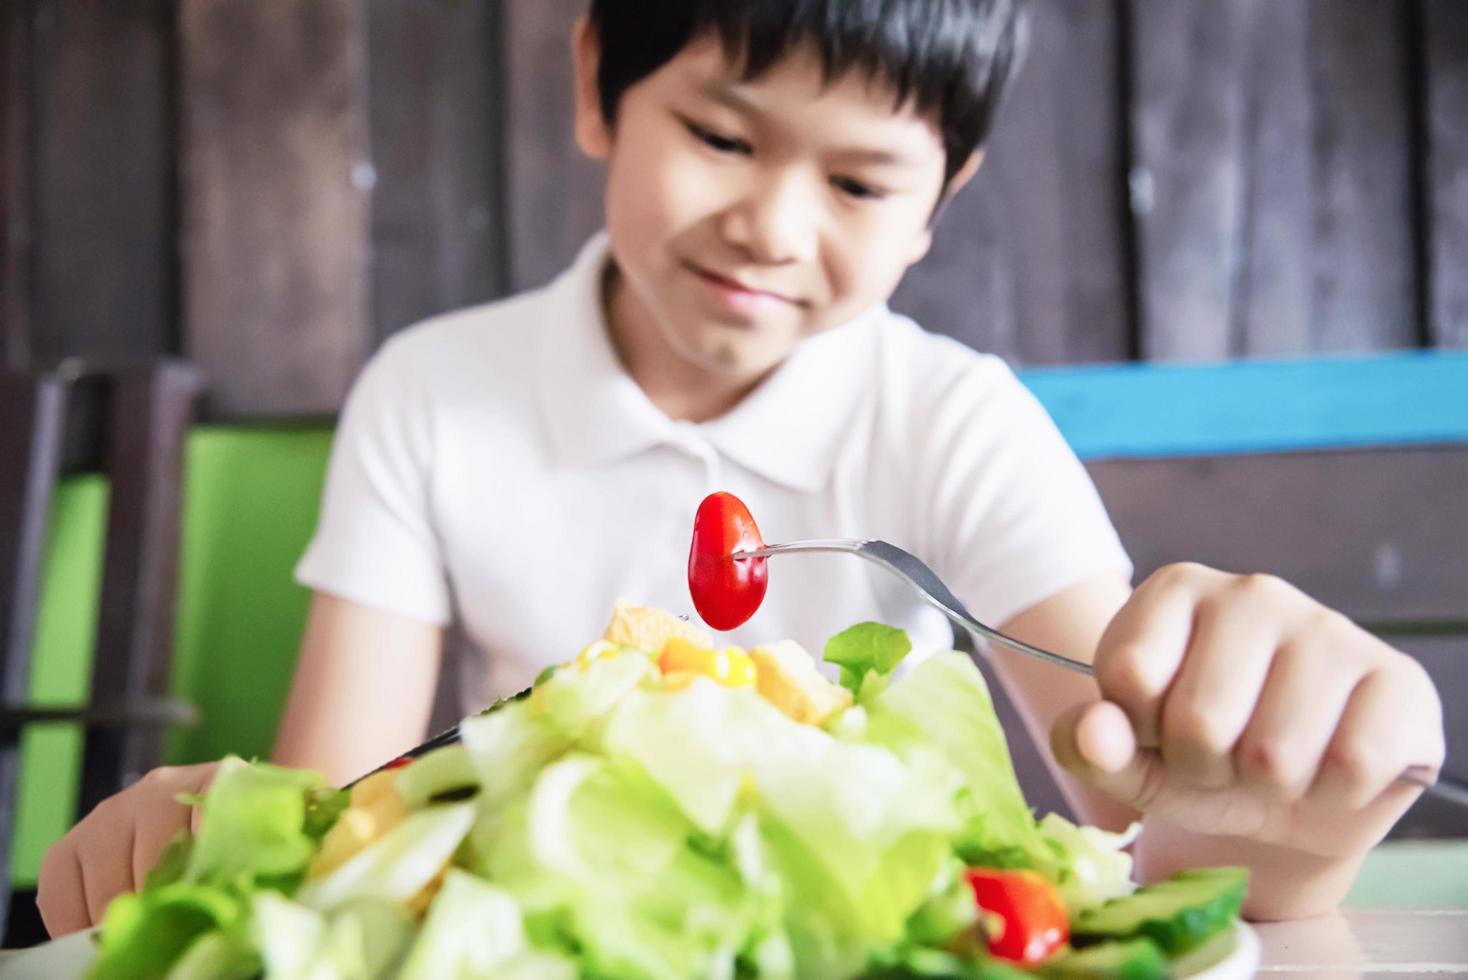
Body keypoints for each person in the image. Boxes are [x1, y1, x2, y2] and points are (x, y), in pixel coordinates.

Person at [38, 0, 1443, 937]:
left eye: (857, 183)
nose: (771, 225)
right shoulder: (431, 392)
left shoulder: (951, 417)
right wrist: (204, 837)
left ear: (940, 206)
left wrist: (1290, 827)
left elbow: (1155, 815)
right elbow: (335, 826)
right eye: (720, 135)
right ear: (599, 83)